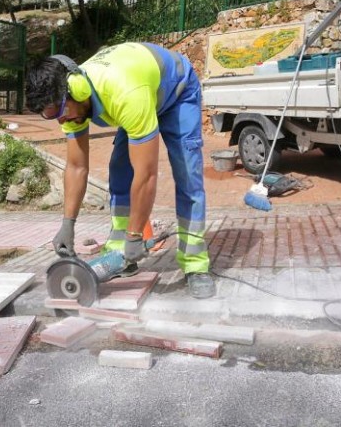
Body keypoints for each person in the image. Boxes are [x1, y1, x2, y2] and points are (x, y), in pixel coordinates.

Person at [25, 42, 216, 299]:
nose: (60, 121)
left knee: (186, 172)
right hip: (138, 92)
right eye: (51, 117)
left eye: (60, 112)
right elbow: (76, 166)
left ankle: (195, 264)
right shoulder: (68, 103)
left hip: (176, 91)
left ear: (77, 91)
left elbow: (147, 175)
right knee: (119, 170)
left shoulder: (123, 93)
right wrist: (67, 224)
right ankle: (120, 255)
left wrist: (137, 235)